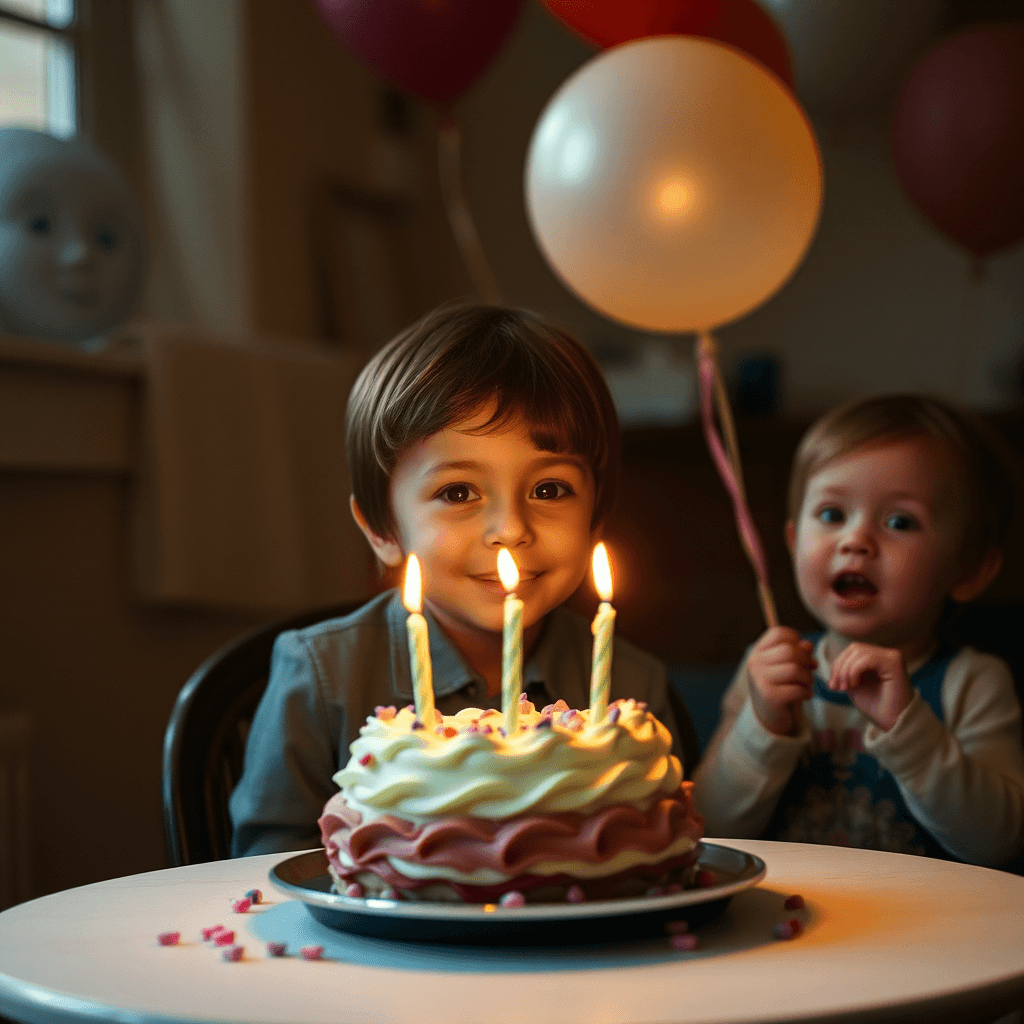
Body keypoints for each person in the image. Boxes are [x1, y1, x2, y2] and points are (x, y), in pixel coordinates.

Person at [230, 302, 696, 856]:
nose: (510, 531)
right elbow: (264, 862)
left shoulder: (629, 687)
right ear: (384, 530)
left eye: (549, 489)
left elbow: (662, 841)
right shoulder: (322, 678)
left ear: (597, 514)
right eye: (458, 492)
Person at [693, 394, 1024, 867]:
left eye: (899, 522)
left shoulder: (973, 683)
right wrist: (762, 724)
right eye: (832, 515)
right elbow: (709, 829)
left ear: (968, 570)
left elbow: (1001, 844)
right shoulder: (768, 668)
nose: (856, 541)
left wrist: (908, 728)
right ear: (793, 540)